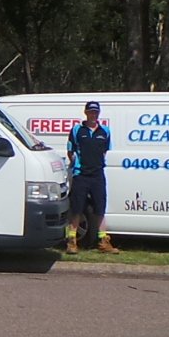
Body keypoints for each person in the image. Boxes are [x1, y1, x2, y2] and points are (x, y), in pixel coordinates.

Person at [65, 100, 119, 255]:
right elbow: (70, 150)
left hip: (97, 175)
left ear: (98, 113)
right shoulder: (77, 130)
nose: (93, 115)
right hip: (81, 174)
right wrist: (75, 163)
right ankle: (72, 241)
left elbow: (104, 152)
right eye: (90, 112)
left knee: (100, 209)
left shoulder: (105, 131)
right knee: (77, 209)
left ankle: (103, 241)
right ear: (86, 113)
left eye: (96, 112)